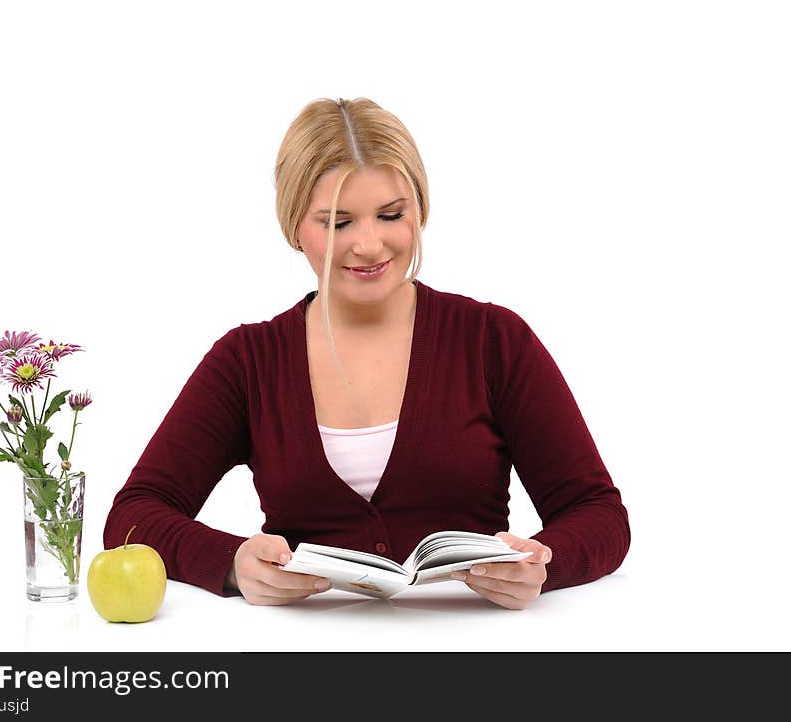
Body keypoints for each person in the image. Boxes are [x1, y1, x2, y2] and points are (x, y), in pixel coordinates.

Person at [103, 96, 631, 610]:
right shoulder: (247, 361)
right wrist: (232, 562)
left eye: (390, 214)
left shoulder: (494, 340)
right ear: (294, 229)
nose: (370, 245)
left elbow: (599, 513)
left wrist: (543, 564)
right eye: (337, 223)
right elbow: (134, 515)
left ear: (419, 211)